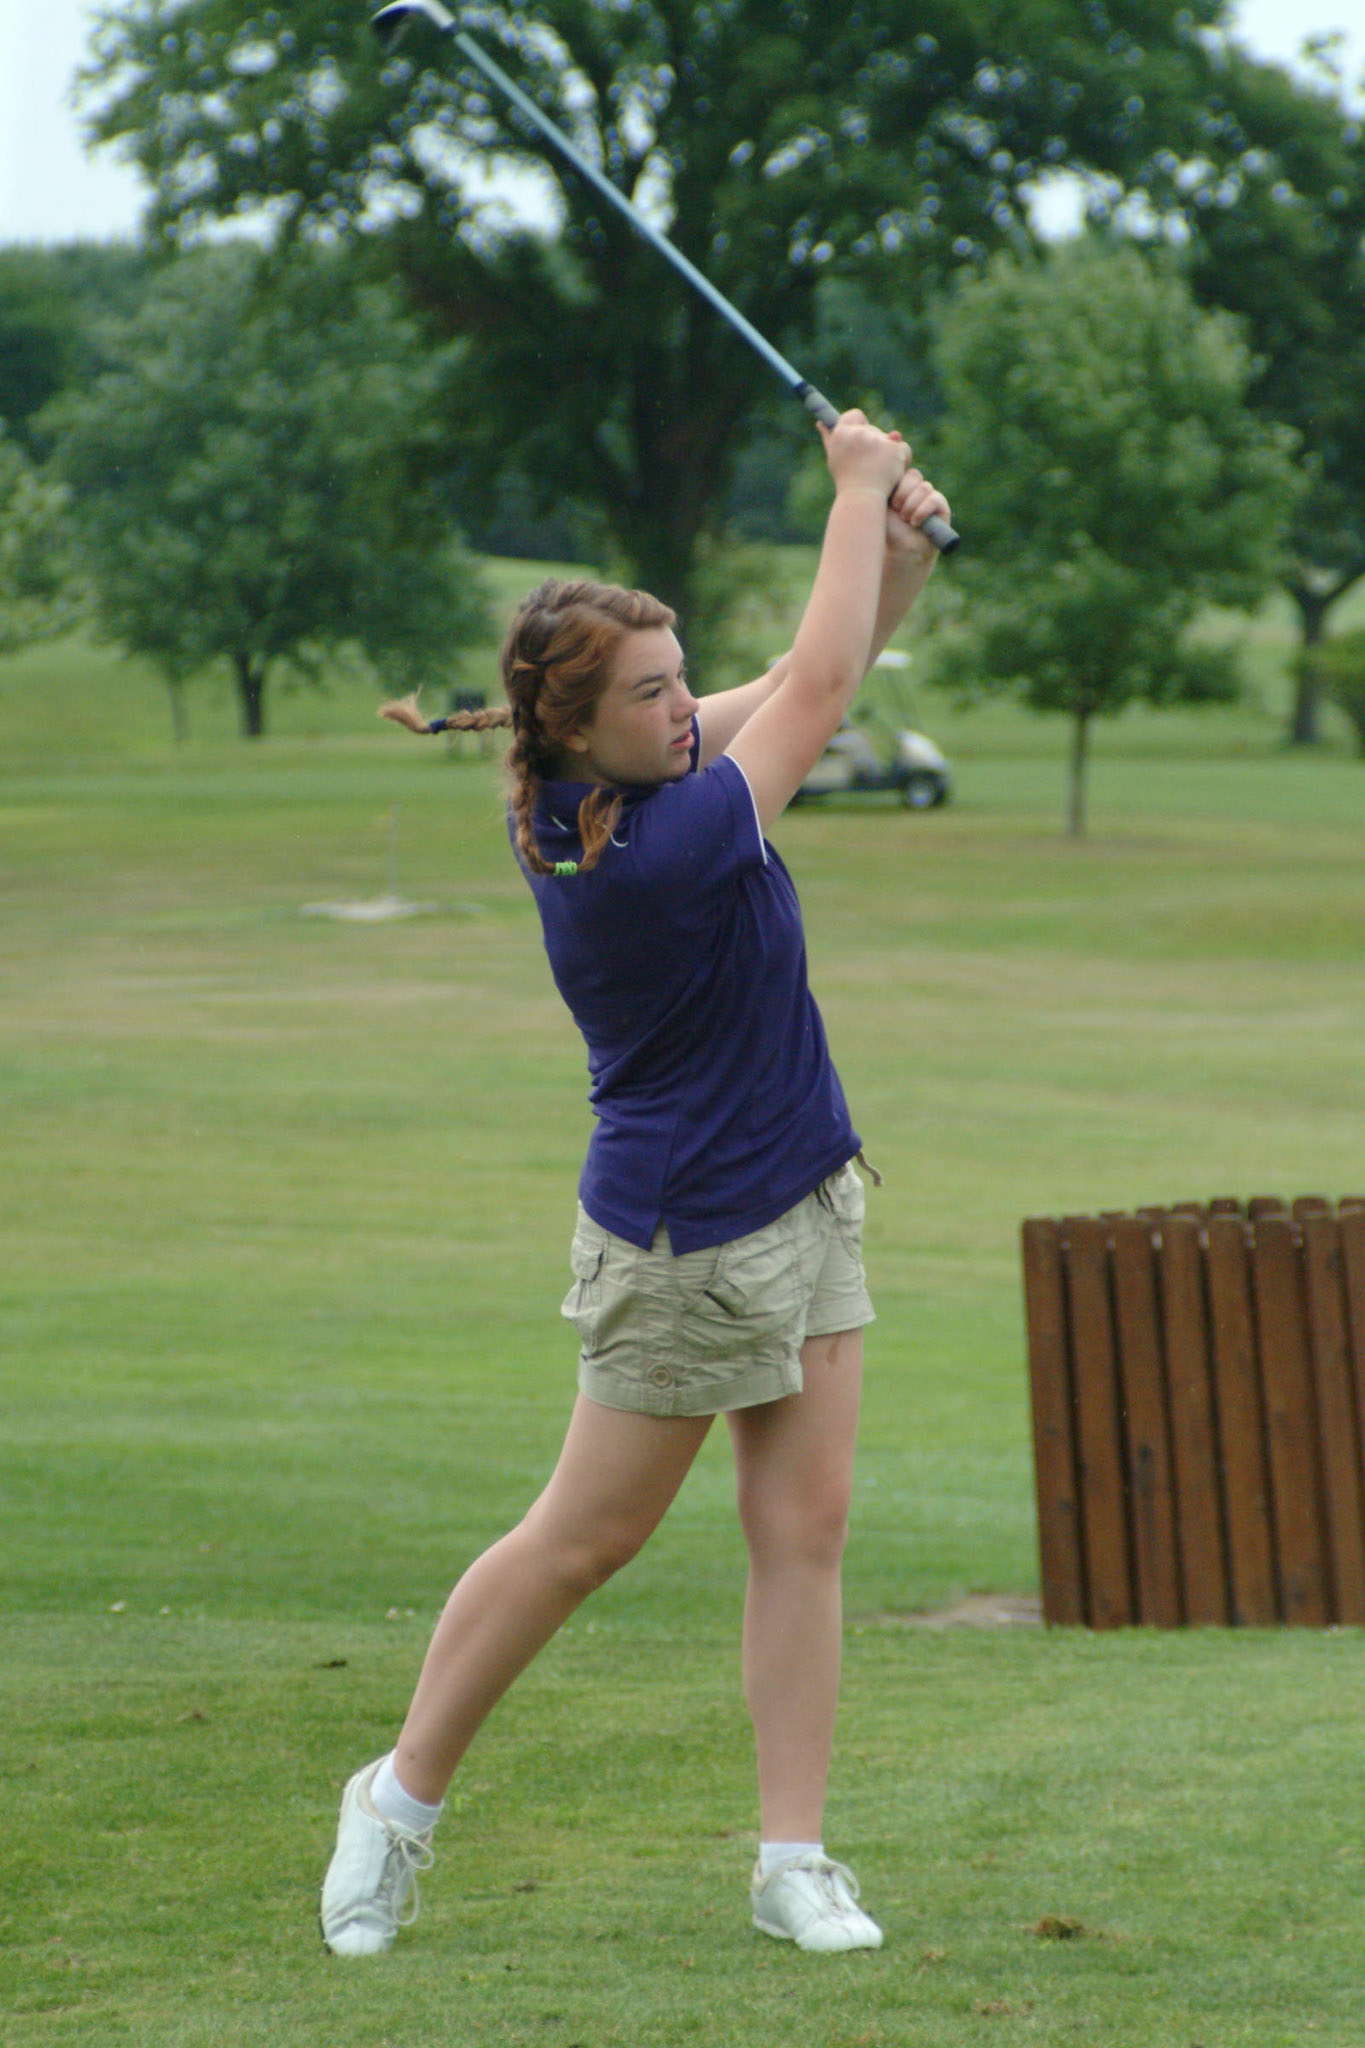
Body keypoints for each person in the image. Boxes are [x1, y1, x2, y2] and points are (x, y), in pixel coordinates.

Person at [320, 411, 951, 1958]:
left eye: (684, 682)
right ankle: (393, 1800)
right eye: (655, 692)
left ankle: (790, 1860)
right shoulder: (635, 861)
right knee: (582, 1542)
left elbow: (830, 669)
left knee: (805, 1526)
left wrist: (899, 551)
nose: (684, 710)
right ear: (573, 724)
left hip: (805, 1188)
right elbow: (806, 690)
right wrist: (856, 492)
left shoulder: (636, 770)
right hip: (683, 1242)